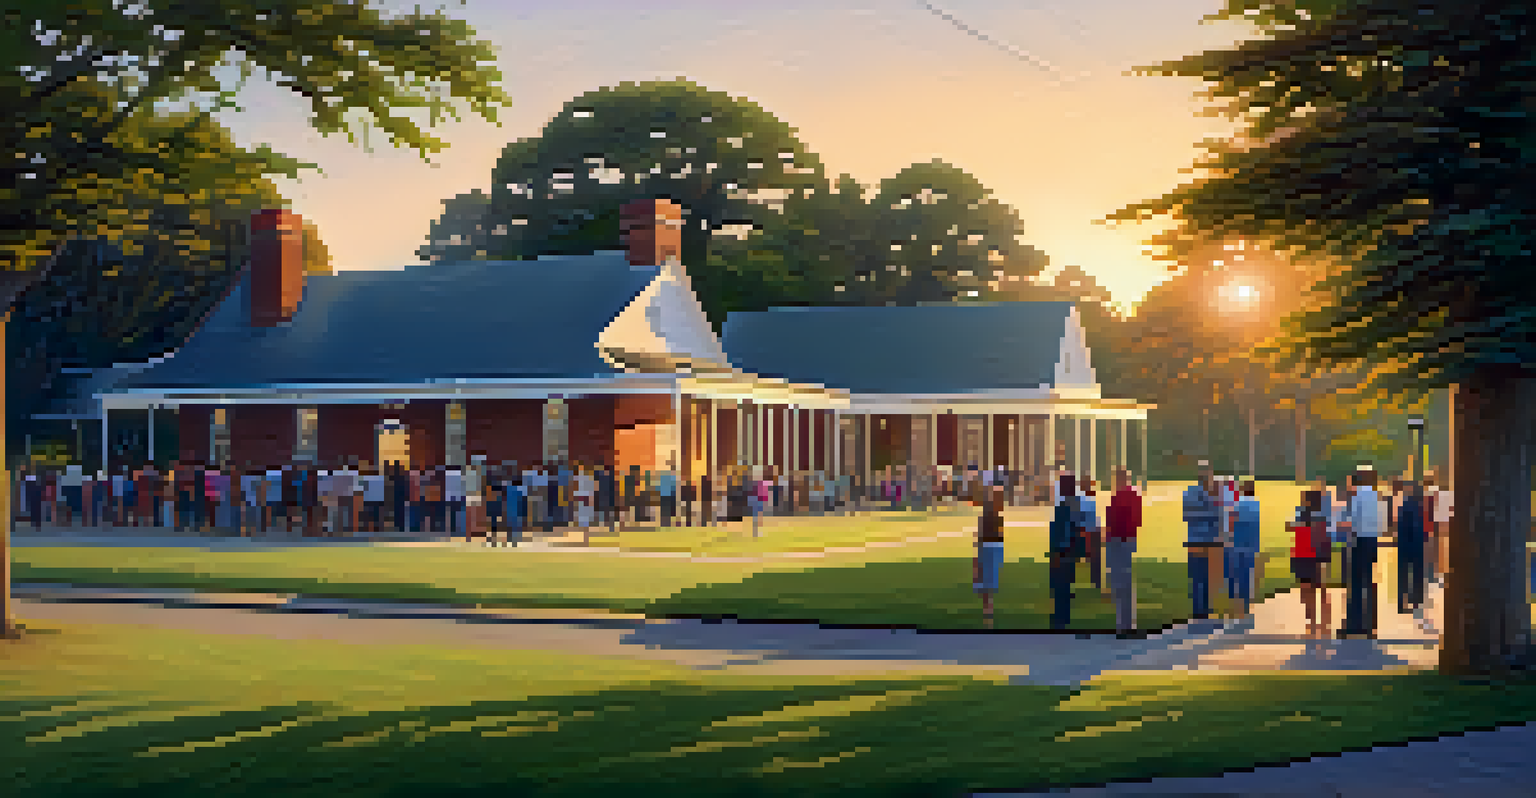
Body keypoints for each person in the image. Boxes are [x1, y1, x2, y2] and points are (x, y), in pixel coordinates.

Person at [1340, 465, 1384, 639]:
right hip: (1373, 541)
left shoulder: (1357, 496)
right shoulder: (1377, 496)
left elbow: (1352, 521)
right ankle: (1370, 624)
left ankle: (1354, 624)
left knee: (1356, 584)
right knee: (1369, 582)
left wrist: (1339, 524)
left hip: (1359, 540)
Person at [1290, 489, 1333, 640]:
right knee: (1319, 588)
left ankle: (1312, 620)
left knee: (1307, 590)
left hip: (1304, 555)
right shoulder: (1320, 517)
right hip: (1314, 555)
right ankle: (1322, 621)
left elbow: (1291, 527)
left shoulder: (1303, 515)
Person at [1182, 461, 1222, 621]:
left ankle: (1198, 609)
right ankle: (1203, 609)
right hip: (1207, 541)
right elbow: (1218, 516)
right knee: (1205, 576)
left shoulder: (1188, 493)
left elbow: (1186, 516)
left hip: (1194, 539)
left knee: (1197, 576)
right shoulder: (1213, 495)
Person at [1105, 466, 1142, 637]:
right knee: (1125, 584)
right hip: (1126, 540)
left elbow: (1117, 520)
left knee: (1120, 584)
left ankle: (1123, 625)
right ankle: (1128, 623)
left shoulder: (1121, 496)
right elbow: (1136, 520)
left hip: (1119, 541)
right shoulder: (1131, 495)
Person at [1048, 472, 1084, 631]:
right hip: (1069, 551)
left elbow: (1062, 531)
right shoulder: (1075, 505)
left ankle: (1059, 621)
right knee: (1065, 586)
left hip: (1062, 550)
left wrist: (1055, 552)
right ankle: (1063, 618)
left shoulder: (1065, 507)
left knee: (1060, 587)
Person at [1396, 479, 1432, 632]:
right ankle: (1416, 600)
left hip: (1404, 545)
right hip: (1417, 544)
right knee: (1417, 573)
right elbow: (1421, 528)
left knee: (1403, 574)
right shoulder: (1421, 508)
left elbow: (1400, 526)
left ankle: (1401, 601)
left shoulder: (1404, 505)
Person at [973, 485, 1006, 629]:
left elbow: (997, 535)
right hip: (989, 548)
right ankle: (988, 612)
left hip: (990, 547)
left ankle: (988, 610)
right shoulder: (991, 515)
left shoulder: (993, 515)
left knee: (988, 582)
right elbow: (988, 535)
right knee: (988, 582)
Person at [1229, 480, 1261, 622]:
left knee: (1236, 574)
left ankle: (1236, 605)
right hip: (1250, 545)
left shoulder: (1237, 503)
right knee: (1247, 574)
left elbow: (1231, 522)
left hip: (1237, 543)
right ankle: (1246, 605)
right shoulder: (1256, 505)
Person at [1080, 477, 1104, 594]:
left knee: (1093, 558)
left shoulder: (1083, 499)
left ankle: (1096, 582)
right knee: (1095, 558)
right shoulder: (1087, 500)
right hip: (1090, 531)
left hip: (1088, 531)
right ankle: (1096, 582)